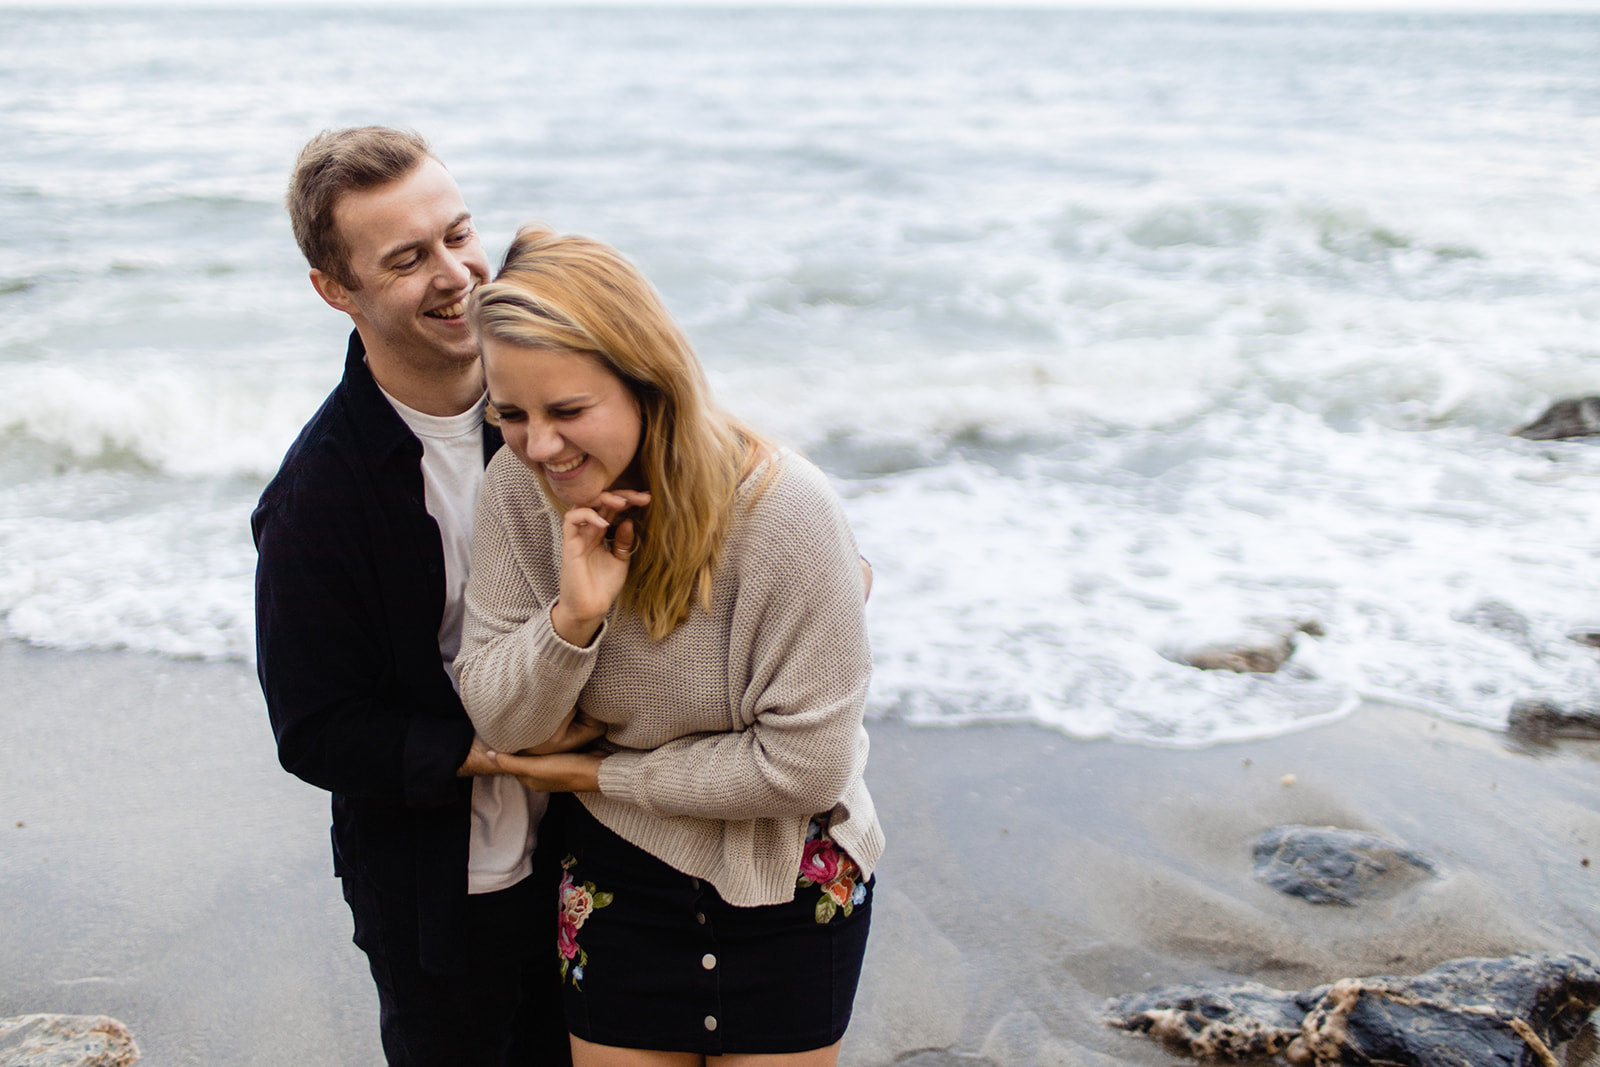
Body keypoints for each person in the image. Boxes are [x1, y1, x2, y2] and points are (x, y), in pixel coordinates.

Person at [454, 225, 885, 1067]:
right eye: (513, 413)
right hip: (621, 872)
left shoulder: (789, 511)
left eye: (568, 410)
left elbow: (803, 766)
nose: (540, 445)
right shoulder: (518, 488)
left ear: (650, 386)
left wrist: (597, 772)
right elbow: (501, 716)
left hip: (788, 871)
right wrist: (571, 620)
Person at [252, 127, 584, 1067]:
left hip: (599, 855)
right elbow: (314, 727)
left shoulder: (561, 402)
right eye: (407, 259)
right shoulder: (316, 498)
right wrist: (508, 757)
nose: (456, 274)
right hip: (440, 894)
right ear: (335, 289)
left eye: (458, 233)